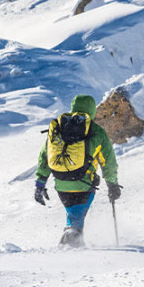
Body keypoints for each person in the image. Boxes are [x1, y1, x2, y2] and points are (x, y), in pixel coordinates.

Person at [34, 94, 120, 247]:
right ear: (92, 110)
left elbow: (45, 156)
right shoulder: (97, 131)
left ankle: (74, 239)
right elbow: (108, 162)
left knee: (74, 212)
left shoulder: (59, 128)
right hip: (83, 183)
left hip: (60, 182)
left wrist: (40, 183)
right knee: (77, 214)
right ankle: (71, 241)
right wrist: (112, 184)